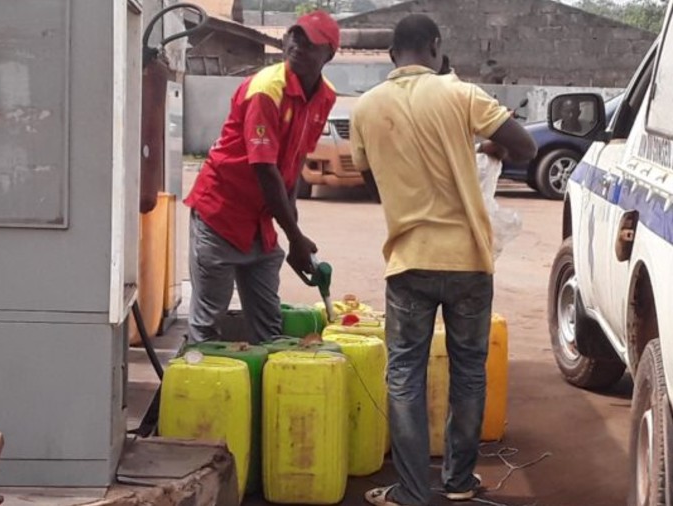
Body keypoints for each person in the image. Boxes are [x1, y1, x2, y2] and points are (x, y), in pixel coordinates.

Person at [349, 14, 537, 506]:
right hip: (470, 261)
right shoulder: (462, 95)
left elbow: (372, 184)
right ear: (435, 47)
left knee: (406, 375)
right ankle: (458, 482)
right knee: (470, 372)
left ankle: (412, 492)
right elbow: (525, 146)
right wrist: (485, 145)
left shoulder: (365, 109)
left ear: (392, 55)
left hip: (409, 262)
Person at [183, 11, 339, 344]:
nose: (296, 45)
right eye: (294, 36)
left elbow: (293, 164)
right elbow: (265, 169)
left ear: (328, 54)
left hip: (260, 225)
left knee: (269, 327)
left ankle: (265, 393)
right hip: (221, 216)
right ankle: (200, 392)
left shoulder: (325, 97)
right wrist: (294, 236)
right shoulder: (266, 91)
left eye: (309, 42)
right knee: (208, 324)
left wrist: (291, 222)